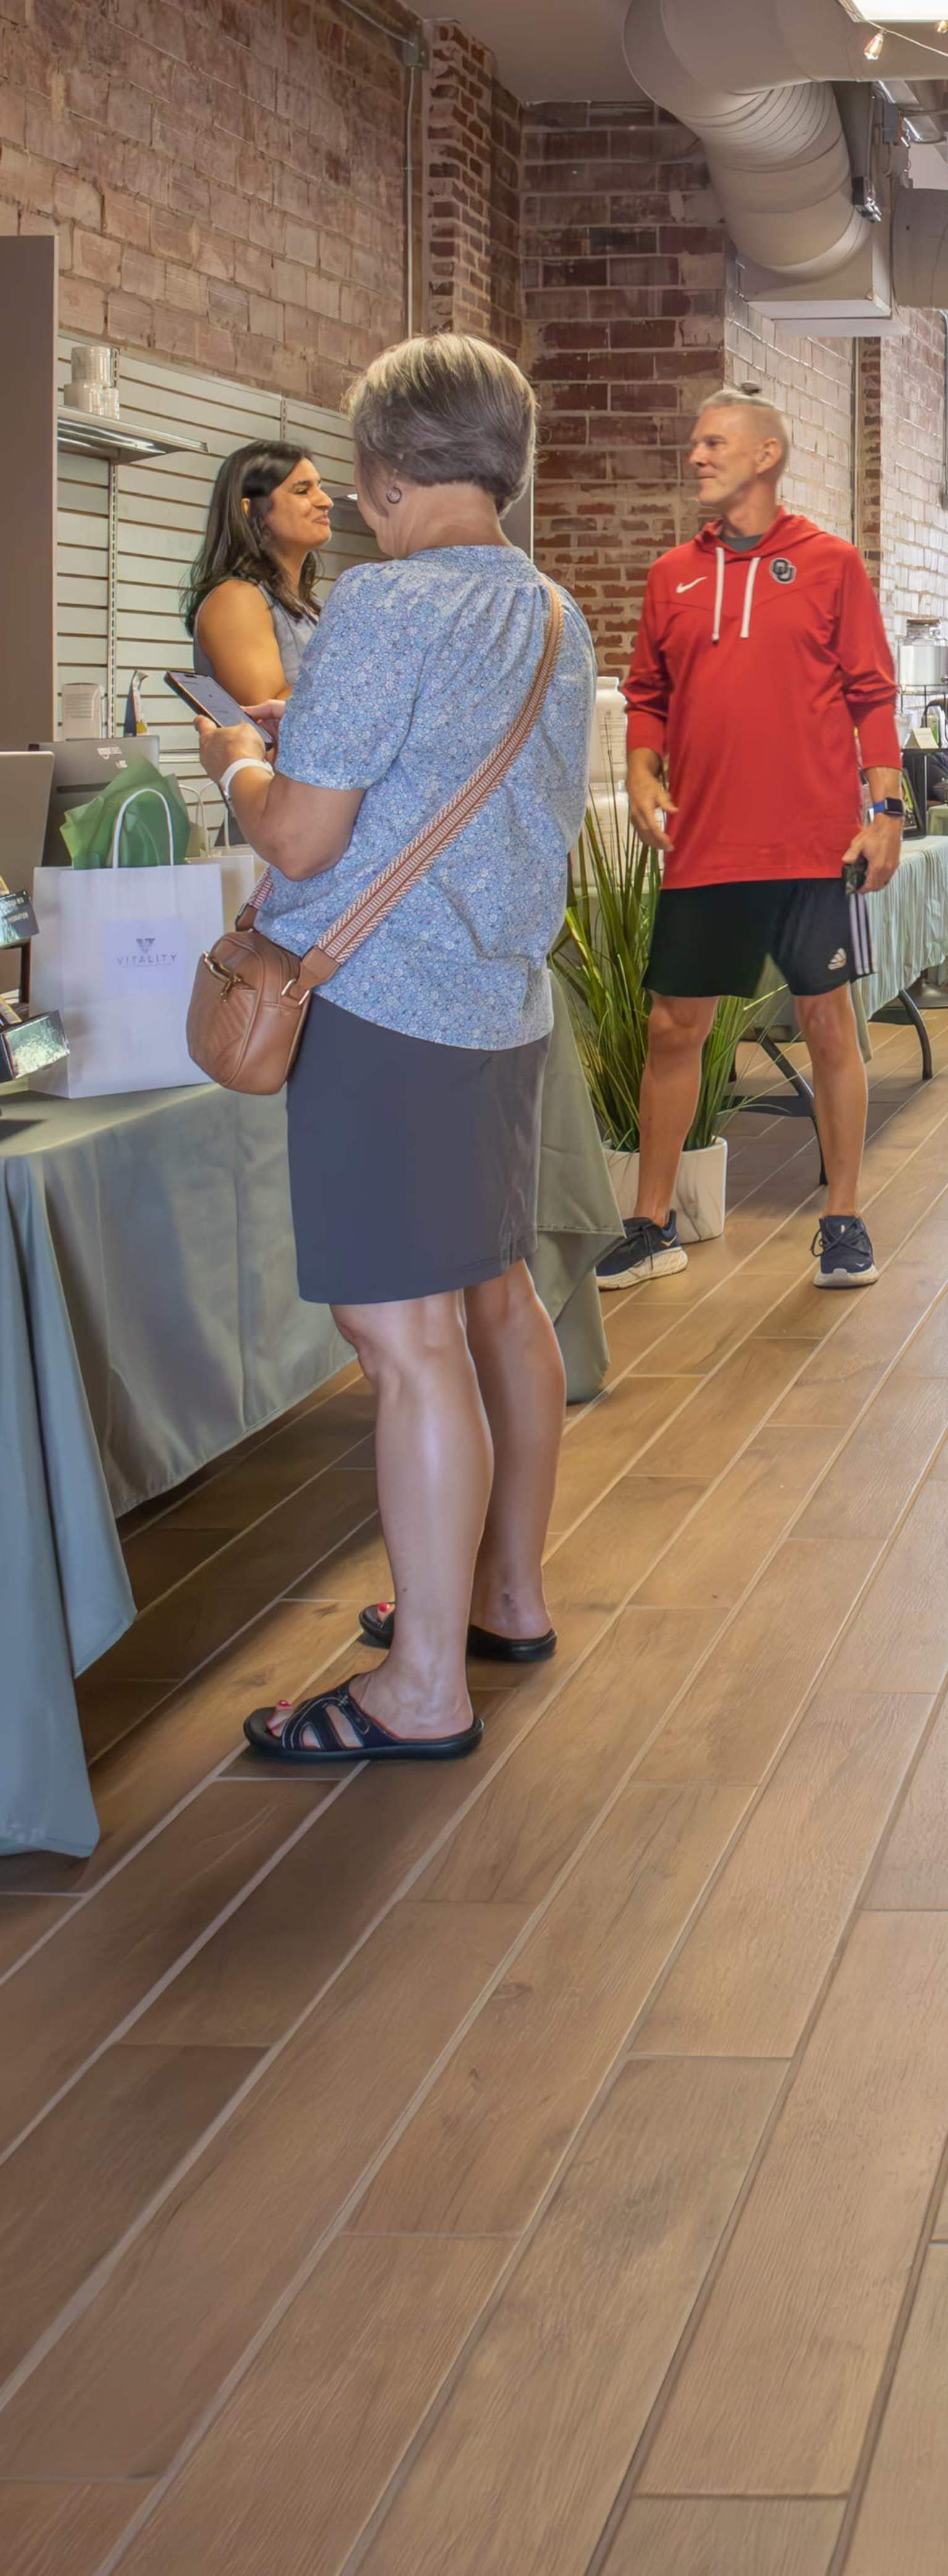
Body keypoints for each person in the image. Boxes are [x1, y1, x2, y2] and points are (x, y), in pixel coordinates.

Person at [196, 336, 596, 1765]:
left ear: (378, 468)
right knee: (497, 1304)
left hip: (384, 1004)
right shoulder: (552, 611)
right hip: (501, 1004)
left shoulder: (378, 603)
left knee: (401, 1338)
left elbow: (304, 832)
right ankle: (503, 1597)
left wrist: (242, 764)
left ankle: (423, 1687)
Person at [602, 393, 904, 1294]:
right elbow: (647, 692)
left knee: (827, 1023)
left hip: (813, 845)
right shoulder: (671, 576)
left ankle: (843, 1219)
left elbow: (873, 695)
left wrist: (885, 814)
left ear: (767, 454)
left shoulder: (831, 563)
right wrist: (642, 773)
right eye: (694, 441)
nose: (695, 456)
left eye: (713, 442)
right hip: (707, 844)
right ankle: (650, 1223)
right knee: (671, 1028)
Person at [185, 442, 333, 712]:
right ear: (250, 509)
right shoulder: (237, 599)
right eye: (302, 491)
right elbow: (268, 721)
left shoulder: (314, 606)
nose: (326, 501)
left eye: (319, 487)